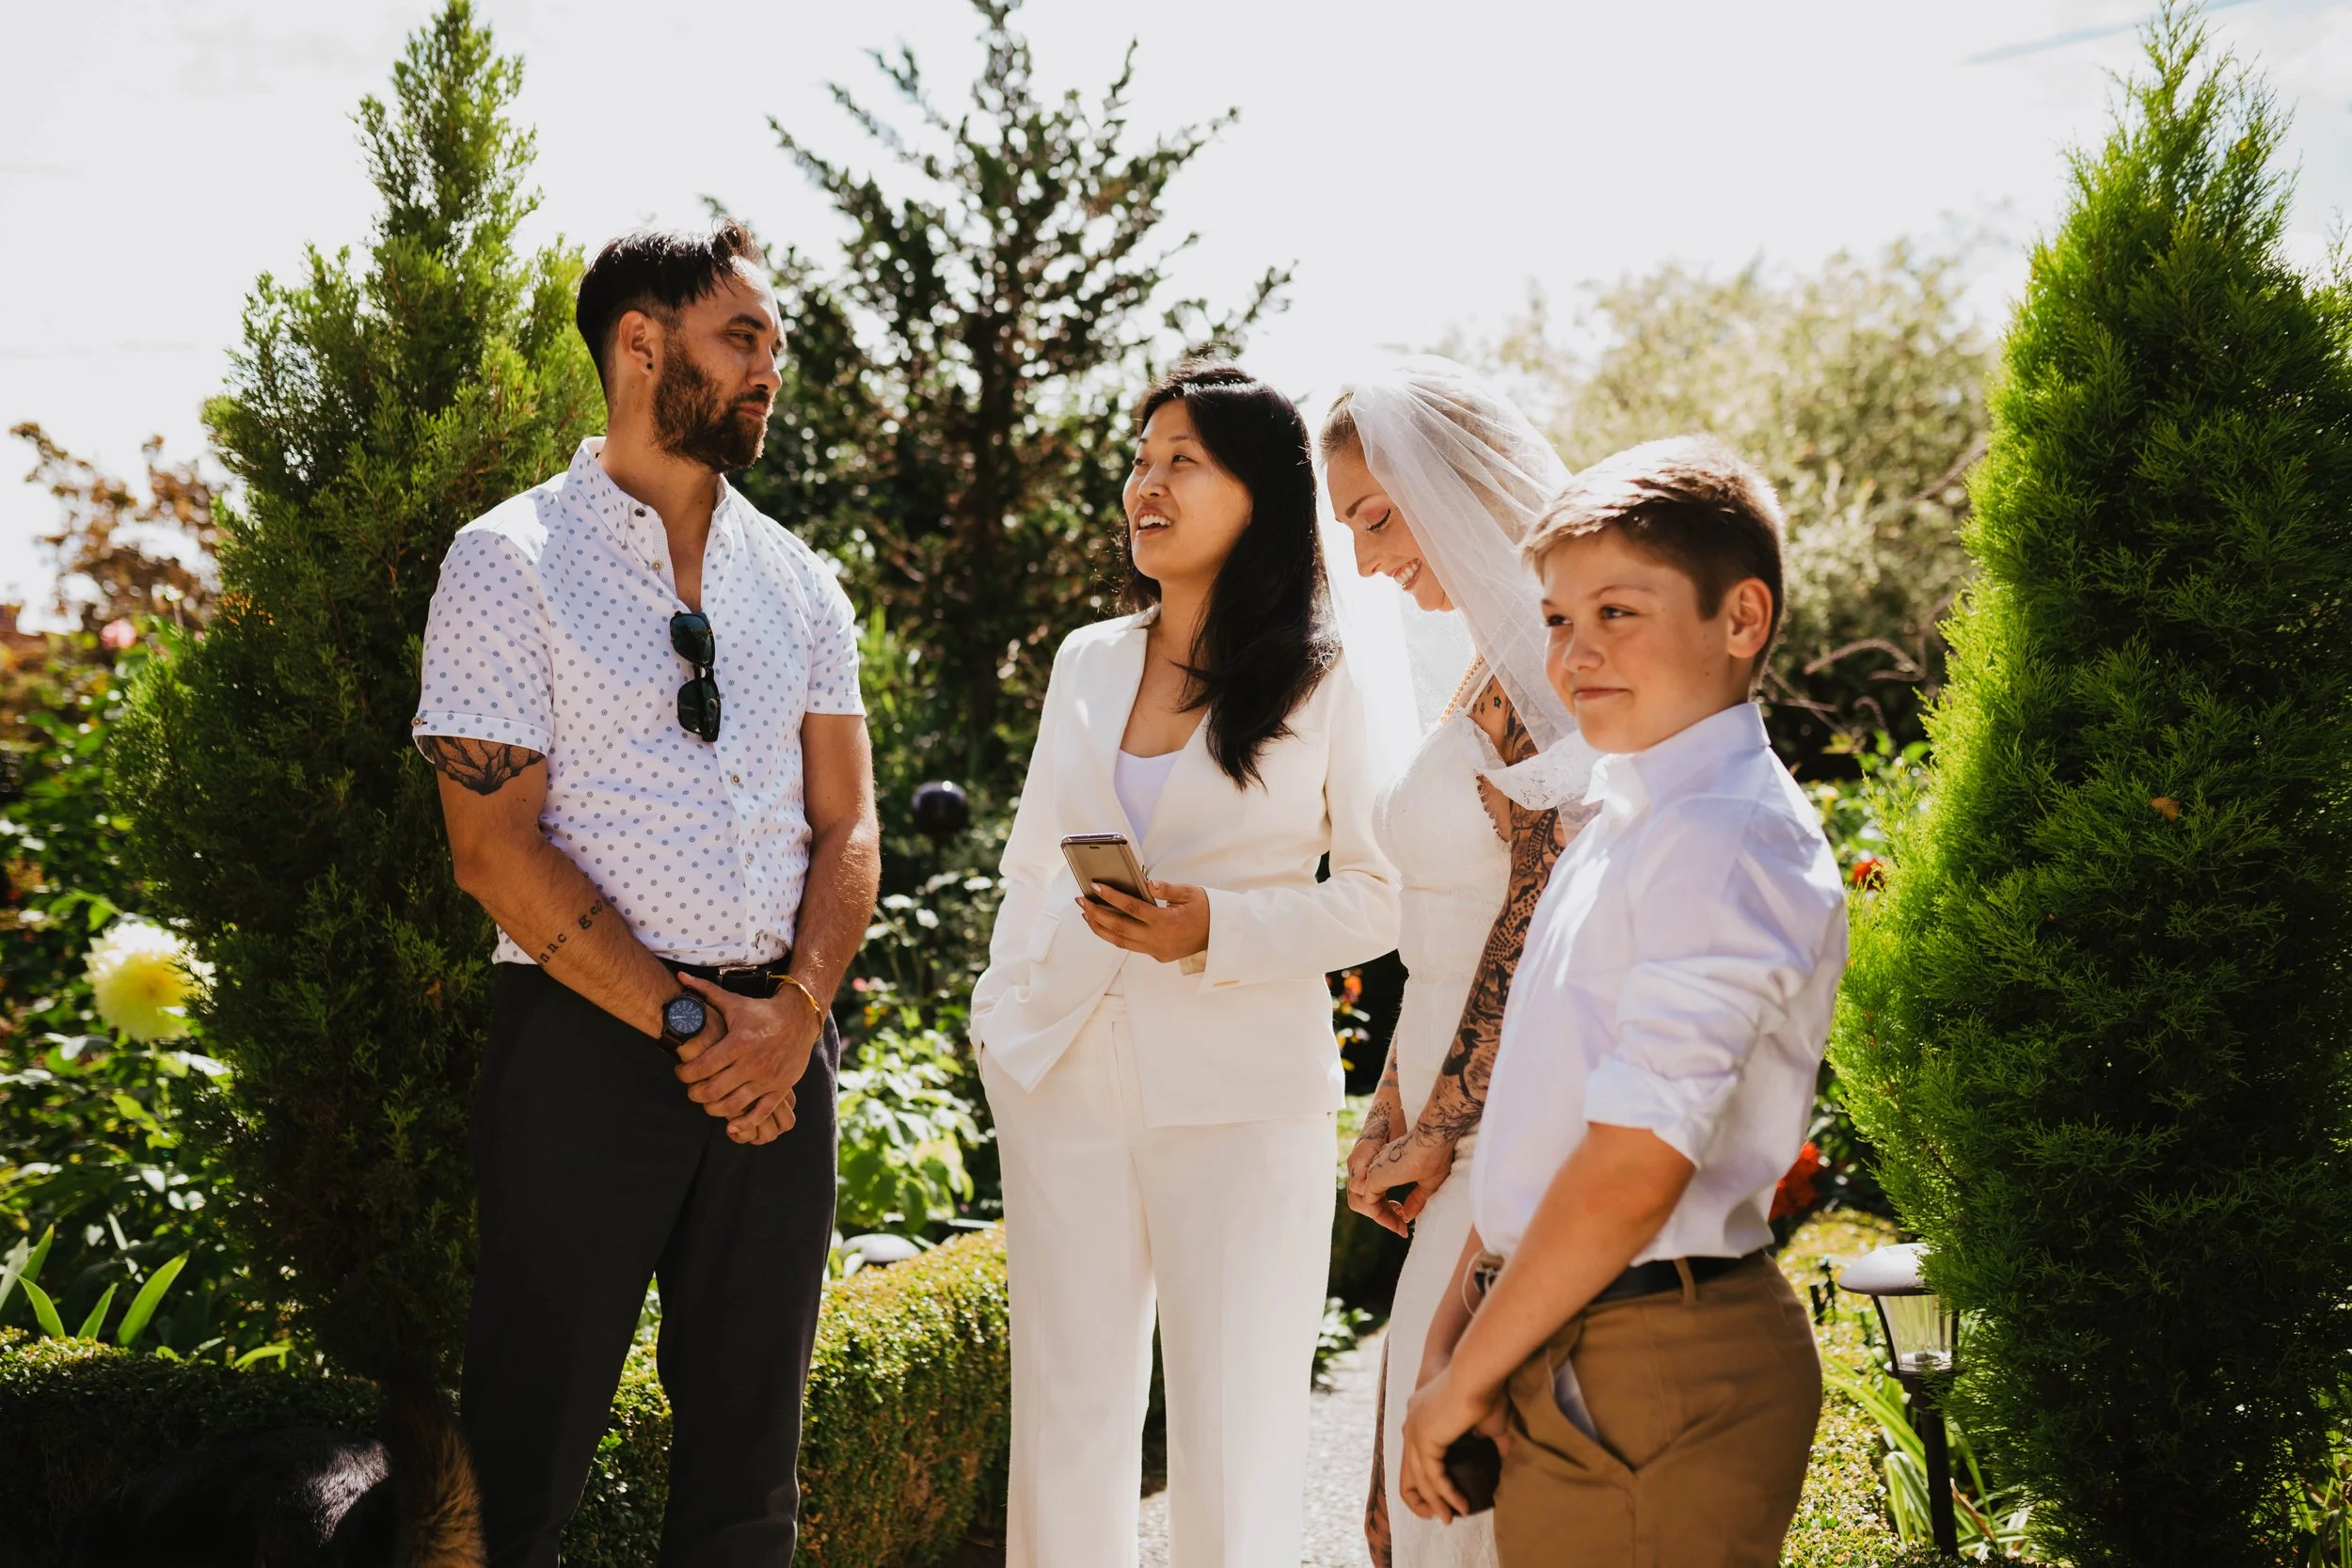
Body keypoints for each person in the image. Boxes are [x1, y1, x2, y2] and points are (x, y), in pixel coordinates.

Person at [412, 220, 882, 1567]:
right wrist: (689, 1023)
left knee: (749, 1478)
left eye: (774, 348)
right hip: (584, 1046)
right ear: (640, 341)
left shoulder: (797, 577)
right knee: (519, 1455)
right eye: (742, 338)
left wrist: (791, 1014)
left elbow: (846, 823)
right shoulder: (507, 560)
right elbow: (491, 848)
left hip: (780, 1055)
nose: (767, 372)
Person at [971, 361, 1401, 1568]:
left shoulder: (1324, 678)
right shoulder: (1086, 658)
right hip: (1062, 1068)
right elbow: (1029, 867)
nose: (1145, 483)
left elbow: (1381, 893)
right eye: (1142, 455)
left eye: (1183, 461)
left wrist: (1217, 927)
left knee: (1234, 1424)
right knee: (1064, 1415)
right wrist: (1003, 1019)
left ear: (1258, 498)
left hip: (1241, 1091)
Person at [1398, 436, 1847, 1567]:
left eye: (1617, 612)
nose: (1575, 653)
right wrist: (1462, 1333)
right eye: (1555, 618)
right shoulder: (1626, 816)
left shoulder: (1726, 836)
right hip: (1576, 1330)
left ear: (1740, 618)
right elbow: (1541, 1120)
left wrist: (1471, 1372)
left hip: (1655, 1363)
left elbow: (1633, 1166)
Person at [1318, 358, 1599, 1568]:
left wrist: (1440, 1119)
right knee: (1409, 1493)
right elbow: (1447, 930)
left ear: (1463, 482)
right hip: (1446, 1117)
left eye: (1377, 516)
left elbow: (1543, 921)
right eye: (1351, 530)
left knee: (1461, 1493)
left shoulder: (1553, 673)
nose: (1371, 560)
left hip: (1509, 1138)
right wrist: (1388, 1107)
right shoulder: (1483, 671)